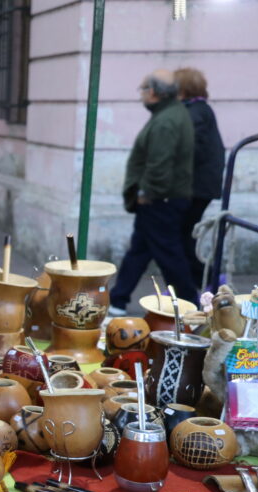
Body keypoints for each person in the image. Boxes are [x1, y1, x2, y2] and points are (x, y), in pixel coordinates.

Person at [108, 69, 197, 314]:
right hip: (162, 199)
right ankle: (117, 300)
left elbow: (160, 164)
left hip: (160, 200)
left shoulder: (167, 120)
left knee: (169, 257)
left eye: (143, 89)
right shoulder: (168, 114)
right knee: (140, 250)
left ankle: (193, 305)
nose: (141, 94)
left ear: (154, 93)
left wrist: (146, 193)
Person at [175, 67, 225, 292]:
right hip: (199, 185)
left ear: (183, 89)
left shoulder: (195, 112)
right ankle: (205, 281)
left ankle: (208, 281)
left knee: (181, 234)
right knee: (183, 234)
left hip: (197, 186)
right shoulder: (198, 110)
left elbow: (192, 151)